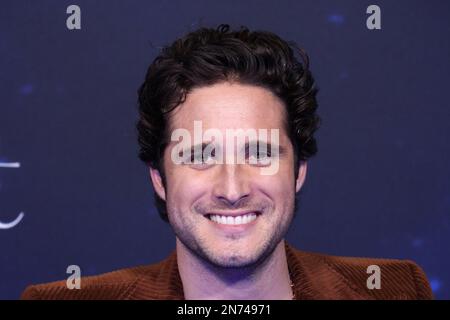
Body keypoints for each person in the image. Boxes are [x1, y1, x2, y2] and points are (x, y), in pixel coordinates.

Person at [21, 24, 433, 300]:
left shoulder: (394, 290)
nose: (232, 189)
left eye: (260, 153)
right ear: (160, 179)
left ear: (298, 171)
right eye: (200, 155)